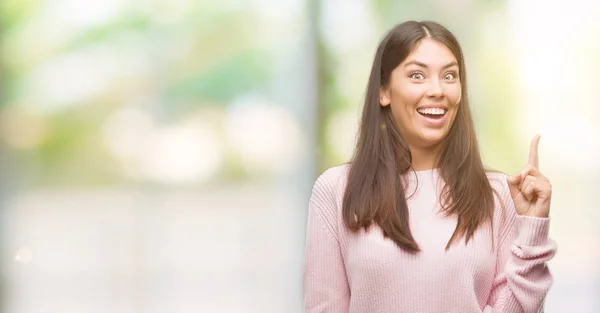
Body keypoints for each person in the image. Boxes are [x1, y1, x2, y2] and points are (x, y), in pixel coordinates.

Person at [302, 20, 556, 313]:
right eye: (417, 75)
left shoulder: (498, 194)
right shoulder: (335, 190)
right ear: (383, 91)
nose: (437, 90)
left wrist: (532, 229)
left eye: (449, 75)